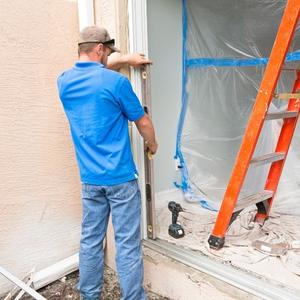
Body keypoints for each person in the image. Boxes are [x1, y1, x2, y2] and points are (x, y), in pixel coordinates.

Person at [57, 25, 158, 300]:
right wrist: (152, 143)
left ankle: (89, 296)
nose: (109, 57)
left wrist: (124, 59)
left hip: (90, 180)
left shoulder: (64, 81)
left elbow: (93, 66)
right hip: (120, 179)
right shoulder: (117, 84)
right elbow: (143, 121)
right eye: (108, 52)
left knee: (91, 241)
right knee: (126, 244)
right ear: (100, 49)